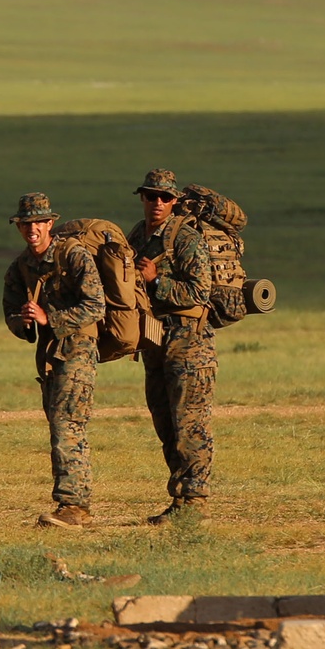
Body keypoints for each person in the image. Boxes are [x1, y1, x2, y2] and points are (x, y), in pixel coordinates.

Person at [2, 192, 104, 528]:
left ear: (50, 223)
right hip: (48, 356)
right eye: (25, 224)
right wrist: (24, 321)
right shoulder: (21, 266)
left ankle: (74, 506)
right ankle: (73, 503)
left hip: (77, 351)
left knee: (67, 425)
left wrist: (51, 319)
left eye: (38, 223)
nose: (32, 229)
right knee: (59, 424)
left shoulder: (73, 255)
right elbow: (12, 312)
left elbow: (96, 306)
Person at [127, 169, 214, 524]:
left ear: (175, 201)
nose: (157, 202)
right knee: (164, 420)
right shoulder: (137, 235)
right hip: (155, 340)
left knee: (189, 422)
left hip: (189, 341)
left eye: (165, 197)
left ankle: (196, 501)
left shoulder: (186, 238)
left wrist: (157, 280)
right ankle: (179, 500)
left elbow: (199, 292)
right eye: (150, 196)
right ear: (142, 198)